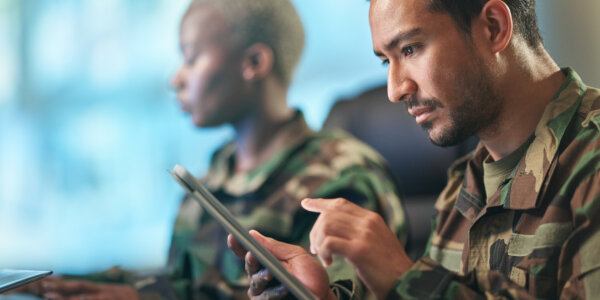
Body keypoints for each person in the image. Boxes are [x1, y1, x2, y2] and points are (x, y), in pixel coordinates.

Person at [229, 0, 600, 299]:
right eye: (386, 60)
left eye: (410, 49)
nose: (396, 90)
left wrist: (402, 278)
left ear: (493, 27)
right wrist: (320, 295)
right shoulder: (465, 184)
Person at [22, 0, 407, 299]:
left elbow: (331, 294)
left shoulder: (341, 176)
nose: (177, 78)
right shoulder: (210, 180)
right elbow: (182, 284)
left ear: (254, 62)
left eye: (191, 58)